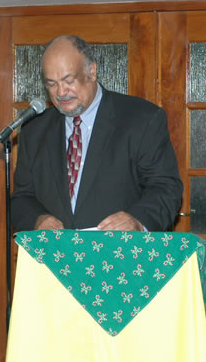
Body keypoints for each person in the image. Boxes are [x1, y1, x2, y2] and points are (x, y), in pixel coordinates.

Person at [10, 35, 183, 232]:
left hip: (120, 255)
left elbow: (166, 188)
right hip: (54, 257)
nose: (60, 92)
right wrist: (38, 220)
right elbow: (22, 198)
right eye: (51, 84)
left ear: (91, 71)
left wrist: (137, 221)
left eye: (69, 80)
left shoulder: (142, 119)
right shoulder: (35, 129)